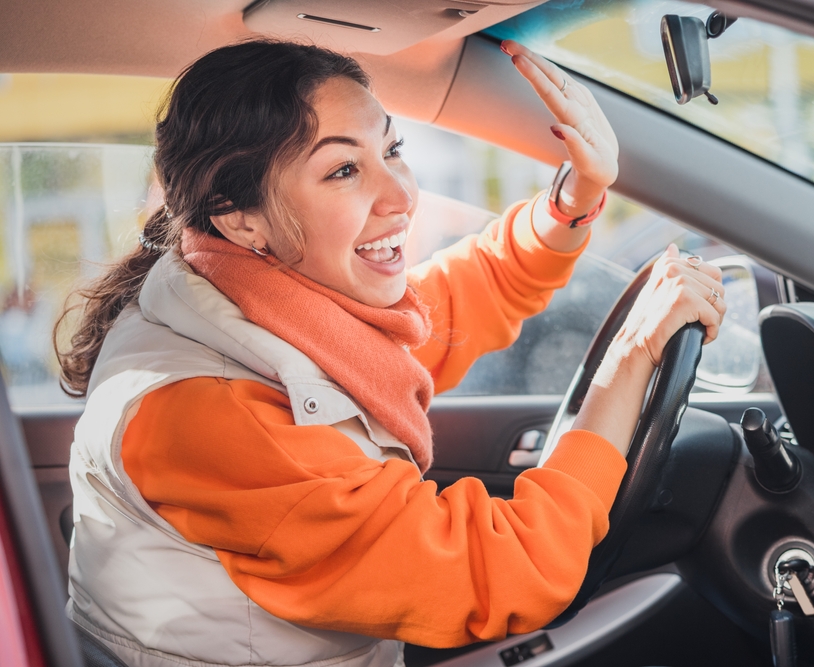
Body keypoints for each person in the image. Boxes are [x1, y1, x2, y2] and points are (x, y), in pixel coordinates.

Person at [55, 38, 727, 667]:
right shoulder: (217, 412)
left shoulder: (252, 297)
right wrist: (631, 358)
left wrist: (570, 203)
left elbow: (446, 308)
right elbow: (509, 569)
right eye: (344, 169)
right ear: (240, 217)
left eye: (393, 149)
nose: (402, 195)